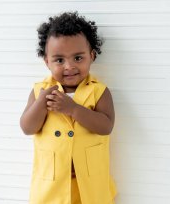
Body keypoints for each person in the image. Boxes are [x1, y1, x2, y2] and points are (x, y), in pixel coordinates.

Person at [19, 12, 117, 204]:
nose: (69, 66)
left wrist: (73, 109)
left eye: (78, 58)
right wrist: (41, 103)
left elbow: (106, 127)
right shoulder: (40, 91)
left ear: (92, 56)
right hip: (52, 184)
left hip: (89, 183)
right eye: (59, 60)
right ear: (47, 61)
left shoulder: (99, 91)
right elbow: (27, 128)